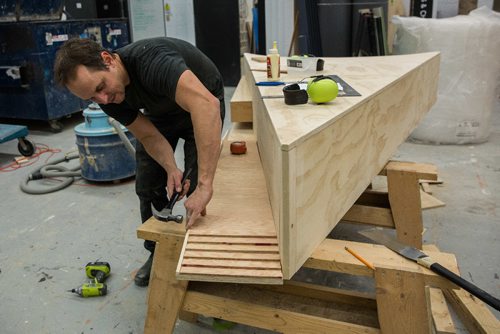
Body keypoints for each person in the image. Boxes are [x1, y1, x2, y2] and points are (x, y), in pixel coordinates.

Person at [54, 37, 224, 286]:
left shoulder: (152, 60)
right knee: (148, 183)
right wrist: (169, 168)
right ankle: (158, 252)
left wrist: (206, 184)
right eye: (92, 97)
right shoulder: (107, 99)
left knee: (197, 184)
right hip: (162, 111)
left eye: (101, 87)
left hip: (201, 100)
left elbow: (206, 105)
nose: (102, 99)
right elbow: (147, 135)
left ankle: (201, 257)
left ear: (108, 60)